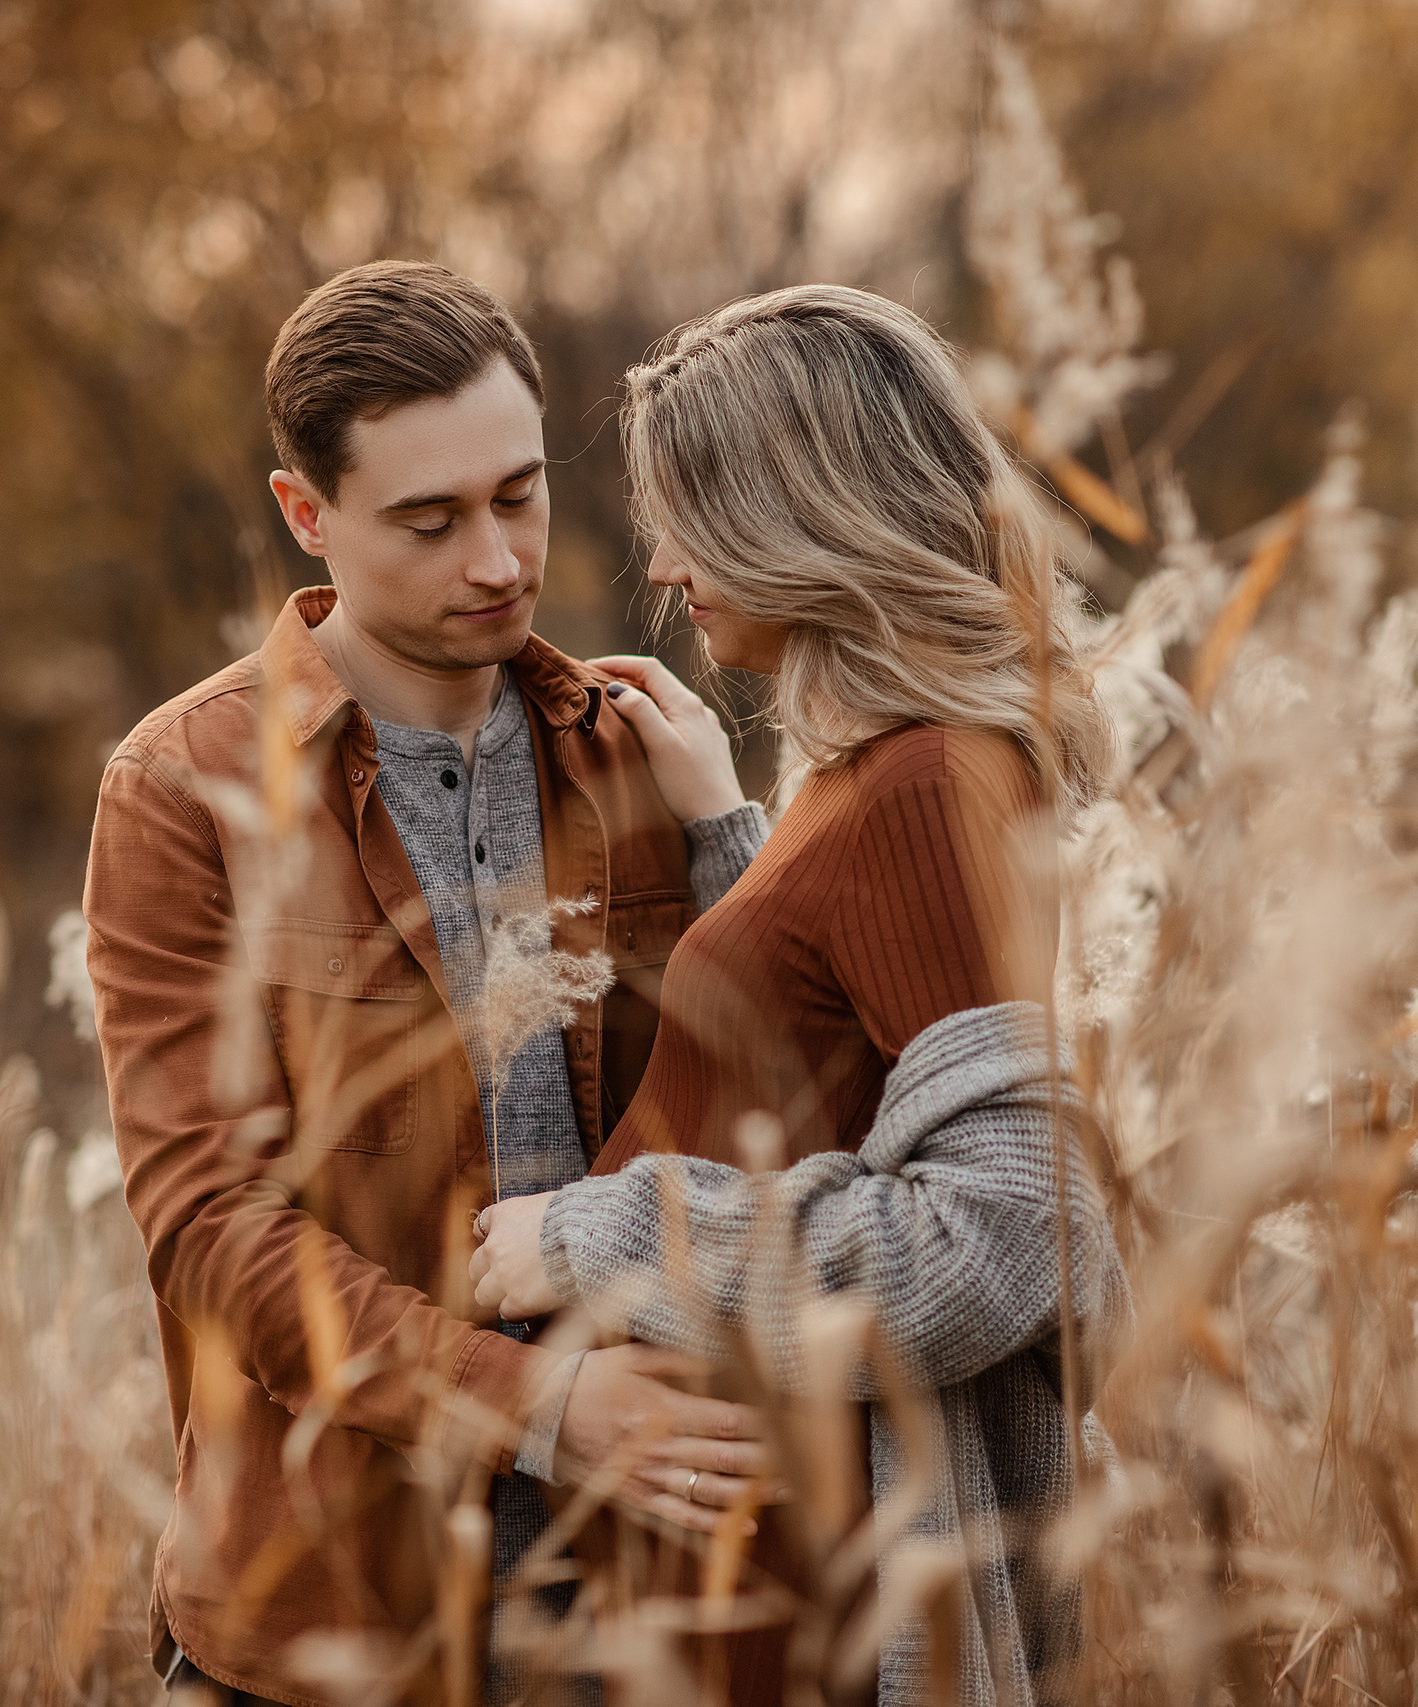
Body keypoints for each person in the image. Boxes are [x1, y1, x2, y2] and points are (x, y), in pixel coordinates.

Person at [84, 261, 779, 1707]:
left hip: (634, 1603)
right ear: (307, 516)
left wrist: (729, 838)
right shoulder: (182, 790)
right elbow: (210, 1228)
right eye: (430, 519)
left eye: (520, 495)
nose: (499, 563)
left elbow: (780, 1123)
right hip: (326, 1609)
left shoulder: (637, 751)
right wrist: (535, 1408)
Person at [468, 285, 1131, 1707]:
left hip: (805, 1581)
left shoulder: (929, 785)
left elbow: (1010, 1236)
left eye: (692, 515)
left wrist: (594, 1237)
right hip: (729, 1538)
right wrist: (732, 842)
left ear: (800, 512)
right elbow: (816, 1063)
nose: (661, 560)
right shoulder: (876, 771)